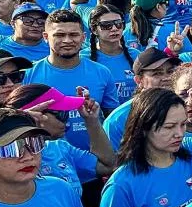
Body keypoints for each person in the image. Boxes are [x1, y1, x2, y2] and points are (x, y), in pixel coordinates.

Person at [24, 9, 120, 150]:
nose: (67, 40)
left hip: (97, 160)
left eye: (73, 34)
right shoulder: (29, 75)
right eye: (60, 35)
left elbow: (113, 121)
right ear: (45, 37)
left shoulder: (102, 72)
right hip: (50, 160)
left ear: (83, 37)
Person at [1, 83, 115, 201]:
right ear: (37, 114)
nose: (67, 122)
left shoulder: (60, 147)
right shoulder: (3, 158)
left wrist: (92, 121)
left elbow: (107, 166)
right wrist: (19, 124)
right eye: (62, 113)